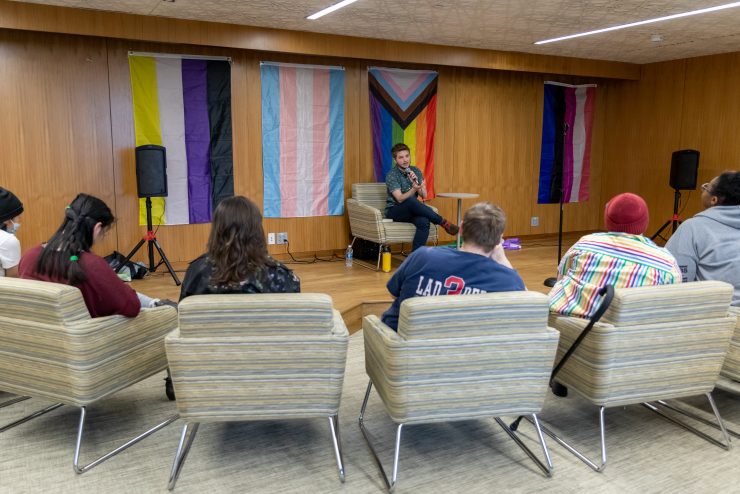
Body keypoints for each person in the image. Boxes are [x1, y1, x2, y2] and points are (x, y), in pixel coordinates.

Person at [381, 202, 525, 331]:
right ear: (499, 238)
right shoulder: (507, 279)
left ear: (461, 228)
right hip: (460, 355)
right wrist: (502, 259)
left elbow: (393, 293)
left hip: (400, 347)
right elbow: (530, 307)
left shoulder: (422, 256)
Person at [549, 192, 682, 319]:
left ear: (608, 220)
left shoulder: (585, 243)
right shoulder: (667, 263)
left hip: (564, 326)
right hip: (624, 337)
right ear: (645, 223)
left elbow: (560, 277)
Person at [19, 193, 147, 318]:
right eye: (104, 232)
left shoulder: (29, 256)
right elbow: (131, 307)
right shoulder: (92, 265)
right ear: (97, 228)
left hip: (39, 335)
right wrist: (127, 291)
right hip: (85, 336)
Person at [180, 195, 300, 299]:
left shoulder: (196, 272)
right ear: (257, 230)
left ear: (217, 230)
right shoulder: (281, 275)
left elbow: (184, 315)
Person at [666, 171, 740, 306]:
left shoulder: (692, 228)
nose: (703, 190)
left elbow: (673, 280)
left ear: (714, 200)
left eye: (706, 187)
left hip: (715, 315)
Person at [385, 143, 459, 251]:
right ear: (395, 160)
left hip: (412, 210)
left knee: (424, 221)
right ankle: (443, 222)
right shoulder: (391, 175)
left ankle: (415, 257)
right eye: (401, 157)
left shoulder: (415, 171)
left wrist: (417, 184)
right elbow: (400, 198)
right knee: (411, 200)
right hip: (395, 210)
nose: (405, 160)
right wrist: (413, 189)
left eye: (407, 156)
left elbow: (424, 195)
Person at [0, 187, 24, 278]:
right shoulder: (7, 240)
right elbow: (14, 280)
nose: (19, 221)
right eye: (18, 217)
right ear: (7, 220)